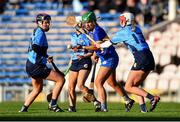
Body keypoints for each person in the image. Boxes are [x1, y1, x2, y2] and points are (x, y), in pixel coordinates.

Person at [96, 12, 160, 112]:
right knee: (135, 85)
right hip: (149, 56)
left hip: (141, 57)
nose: (121, 21)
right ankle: (143, 109)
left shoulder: (123, 32)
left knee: (128, 87)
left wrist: (99, 45)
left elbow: (109, 43)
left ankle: (152, 98)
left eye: (122, 19)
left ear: (126, 21)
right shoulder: (137, 28)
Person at [81, 11, 134, 112]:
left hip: (109, 58)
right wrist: (96, 54)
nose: (87, 24)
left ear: (94, 22)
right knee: (112, 83)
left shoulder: (97, 31)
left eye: (89, 22)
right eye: (85, 23)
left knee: (98, 82)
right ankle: (128, 100)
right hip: (107, 57)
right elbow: (98, 46)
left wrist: (83, 47)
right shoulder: (91, 31)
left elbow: (96, 46)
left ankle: (103, 107)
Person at [19, 13, 65, 112]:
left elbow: (37, 49)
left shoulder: (37, 31)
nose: (48, 24)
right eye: (46, 22)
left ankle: (24, 108)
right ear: (40, 23)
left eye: (49, 22)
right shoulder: (40, 32)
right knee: (60, 79)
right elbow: (35, 47)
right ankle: (53, 104)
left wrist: (46, 56)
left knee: (37, 89)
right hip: (37, 65)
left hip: (30, 64)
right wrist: (45, 55)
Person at [67, 16, 100, 112]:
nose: (79, 25)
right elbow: (74, 50)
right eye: (77, 24)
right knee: (70, 87)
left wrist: (84, 55)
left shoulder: (87, 35)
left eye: (80, 23)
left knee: (80, 85)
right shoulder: (72, 36)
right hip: (74, 61)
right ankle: (72, 107)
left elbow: (93, 49)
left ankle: (95, 102)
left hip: (85, 60)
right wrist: (74, 49)